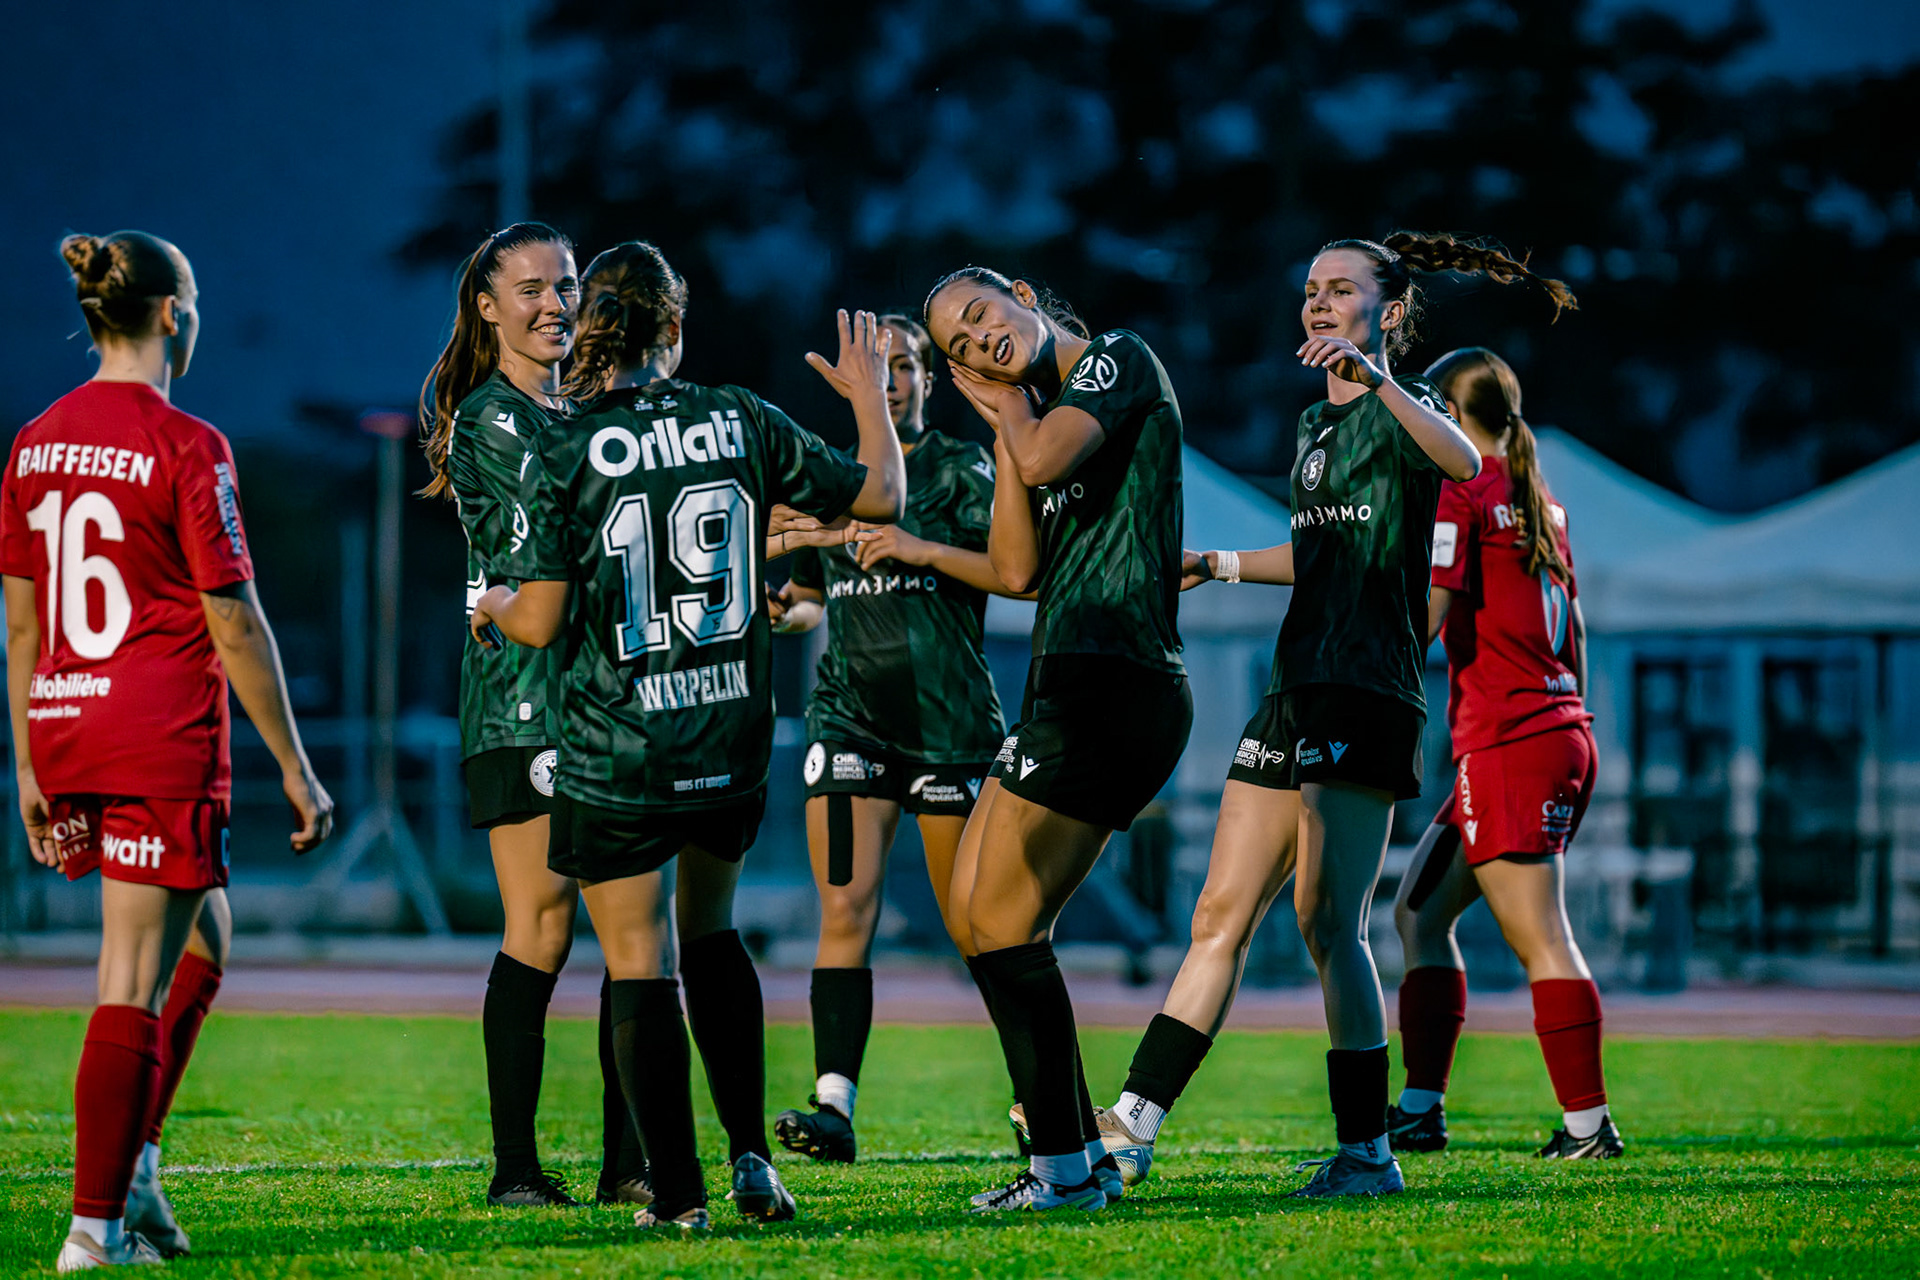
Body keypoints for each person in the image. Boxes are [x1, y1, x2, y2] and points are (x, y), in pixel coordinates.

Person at [1093, 234, 1573, 1200]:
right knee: (1218, 914)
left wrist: (1377, 379)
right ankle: (1131, 1126)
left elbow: (1466, 466)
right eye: (1310, 289)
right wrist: (1218, 563)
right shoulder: (1317, 429)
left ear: (1388, 313)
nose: (1317, 303)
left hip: (1367, 691)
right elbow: (1318, 551)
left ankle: (1367, 1152)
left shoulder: (1413, 411)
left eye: (1341, 290)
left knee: (1327, 921)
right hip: (1296, 684)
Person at [470, 242, 906, 1231]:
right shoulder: (740, 415)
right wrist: (873, 394)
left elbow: (538, 619)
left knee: (640, 960)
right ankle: (752, 1156)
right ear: (674, 326)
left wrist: (495, 599)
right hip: (726, 727)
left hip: (622, 742)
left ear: (592, 328)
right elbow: (882, 496)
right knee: (714, 932)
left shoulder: (570, 440)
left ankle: (678, 1194)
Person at [3, 231, 333, 1271]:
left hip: (65, 718)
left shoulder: (33, 441)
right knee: (130, 971)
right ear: (171, 316)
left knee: (204, 942)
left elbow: (19, 622)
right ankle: (94, 1229)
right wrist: (294, 759)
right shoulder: (187, 443)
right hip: (153, 730)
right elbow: (232, 618)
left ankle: (136, 1164)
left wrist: (23, 761)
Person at [923, 267, 1192, 1214]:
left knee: (998, 924)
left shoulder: (1116, 356)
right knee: (976, 921)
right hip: (1067, 678)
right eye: (959, 345)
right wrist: (1006, 419)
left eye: (982, 315)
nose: (979, 343)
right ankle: (1072, 1153)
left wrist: (1008, 413)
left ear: (1026, 295)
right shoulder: (1030, 420)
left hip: (1117, 681)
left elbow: (1043, 462)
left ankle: (1065, 1168)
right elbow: (1014, 567)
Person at [419, 222, 647, 1209]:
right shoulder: (500, 419)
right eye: (531, 288)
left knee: (624, 927)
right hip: (525, 700)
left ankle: (625, 1159)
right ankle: (525, 1167)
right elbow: (552, 573)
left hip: (594, 695)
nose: (556, 303)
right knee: (548, 926)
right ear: (485, 305)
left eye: (566, 286)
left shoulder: (565, 411)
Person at [768, 314, 1015, 1165]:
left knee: (977, 924)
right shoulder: (834, 475)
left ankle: (1036, 1096)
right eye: (881, 369)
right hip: (850, 719)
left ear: (928, 379)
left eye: (907, 366)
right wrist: (783, 608)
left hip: (948, 725)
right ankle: (832, 1105)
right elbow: (805, 597)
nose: (895, 381)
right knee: (845, 909)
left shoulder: (962, 467)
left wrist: (916, 547)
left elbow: (1015, 576)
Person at [1388, 347, 1619, 1159]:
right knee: (1418, 914)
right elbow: (1577, 633)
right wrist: (1566, 721)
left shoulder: (1466, 490)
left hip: (1514, 741)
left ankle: (1589, 1126)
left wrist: (1353, 664)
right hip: (1552, 732)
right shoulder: (1541, 503)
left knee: (1541, 936)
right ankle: (1419, 1108)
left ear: (1450, 414)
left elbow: (1431, 609)